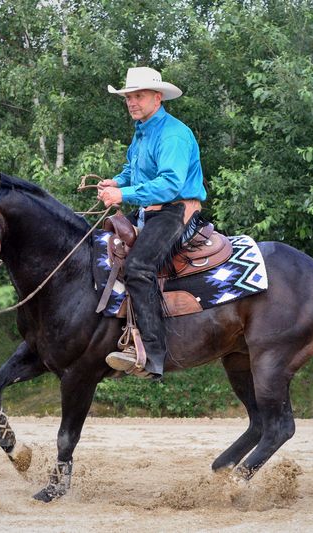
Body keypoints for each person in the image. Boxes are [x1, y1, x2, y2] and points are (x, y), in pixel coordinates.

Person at [97, 67, 207, 379]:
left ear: (157, 98)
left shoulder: (173, 134)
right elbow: (132, 171)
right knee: (101, 248)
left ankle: (152, 353)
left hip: (175, 211)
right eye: (128, 97)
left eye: (138, 96)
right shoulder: (142, 130)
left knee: (138, 268)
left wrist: (123, 193)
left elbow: (169, 185)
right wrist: (114, 182)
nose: (131, 102)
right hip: (150, 209)